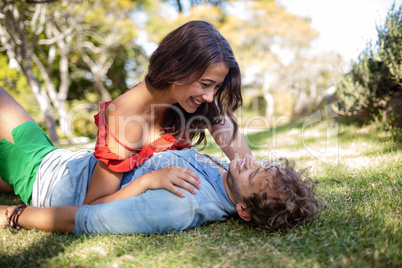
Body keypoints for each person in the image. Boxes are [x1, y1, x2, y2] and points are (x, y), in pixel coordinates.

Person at [0, 86, 320, 235]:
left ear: (243, 211)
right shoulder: (227, 176)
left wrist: (12, 216)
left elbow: (85, 218)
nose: (249, 162)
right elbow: (223, 122)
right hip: (60, 160)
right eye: (263, 163)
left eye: (254, 174)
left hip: (46, 176)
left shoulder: (182, 203)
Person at [85, 20, 251, 205]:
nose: (211, 97)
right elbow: (93, 204)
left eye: (216, 87)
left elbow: (245, 160)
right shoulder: (128, 118)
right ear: (175, 67)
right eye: (205, 84)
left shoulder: (192, 97)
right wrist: (148, 181)